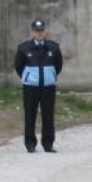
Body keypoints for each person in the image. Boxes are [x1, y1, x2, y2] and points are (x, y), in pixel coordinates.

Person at [13, 18, 63, 153]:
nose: (39, 34)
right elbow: (19, 66)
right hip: (31, 87)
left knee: (48, 115)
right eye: (36, 31)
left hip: (48, 86)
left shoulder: (53, 47)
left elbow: (58, 65)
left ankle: (48, 143)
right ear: (32, 32)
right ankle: (30, 143)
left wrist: (50, 76)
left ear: (45, 32)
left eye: (41, 31)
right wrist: (29, 77)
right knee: (30, 114)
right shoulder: (24, 48)